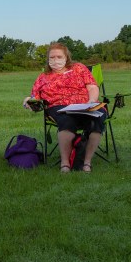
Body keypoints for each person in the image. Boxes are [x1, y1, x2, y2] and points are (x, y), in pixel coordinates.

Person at [23, 43, 103, 173]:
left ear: (66, 57)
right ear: (48, 59)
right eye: (52, 57)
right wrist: (28, 101)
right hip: (58, 107)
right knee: (67, 120)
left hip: (85, 104)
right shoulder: (43, 77)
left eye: (59, 56)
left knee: (96, 120)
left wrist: (91, 102)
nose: (55, 60)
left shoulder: (79, 68)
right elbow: (35, 97)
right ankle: (65, 163)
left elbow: (93, 87)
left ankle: (86, 162)